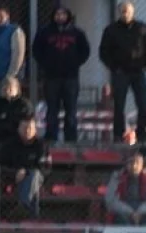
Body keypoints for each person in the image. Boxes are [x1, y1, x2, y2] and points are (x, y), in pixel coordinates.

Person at [99, 1, 146, 143]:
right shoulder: (111, 30)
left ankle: (142, 134)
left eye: (128, 10)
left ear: (133, 11)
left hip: (138, 72)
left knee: (144, 105)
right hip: (120, 73)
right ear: (119, 12)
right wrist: (114, 68)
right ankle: (118, 136)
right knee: (119, 106)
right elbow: (104, 52)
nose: (126, 13)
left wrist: (144, 66)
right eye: (123, 10)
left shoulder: (142, 28)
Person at [32, 5, 91, 143]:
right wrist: (45, 64)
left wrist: (75, 62)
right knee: (52, 109)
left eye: (63, 14)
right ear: (53, 16)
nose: (60, 17)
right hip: (51, 77)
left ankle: (71, 138)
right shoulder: (44, 32)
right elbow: (36, 50)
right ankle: (51, 137)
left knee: (71, 110)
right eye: (57, 14)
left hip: (71, 77)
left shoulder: (77, 33)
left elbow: (85, 51)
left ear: (68, 16)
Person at [0, 117, 48, 219]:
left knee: (33, 175)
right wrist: (15, 173)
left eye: (30, 128)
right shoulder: (9, 145)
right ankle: (32, 219)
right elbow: (1, 167)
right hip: (15, 178)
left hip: (38, 178)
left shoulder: (41, 145)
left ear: (35, 130)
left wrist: (25, 172)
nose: (27, 130)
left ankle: (22, 206)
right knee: (33, 187)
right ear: (18, 129)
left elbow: (45, 168)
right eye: (24, 127)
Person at [106, 150, 146, 226]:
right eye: (131, 163)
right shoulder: (117, 178)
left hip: (143, 209)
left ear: (142, 165)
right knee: (121, 218)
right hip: (124, 209)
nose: (134, 166)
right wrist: (130, 212)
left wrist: (139, 211)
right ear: (126, 164)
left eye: (137, 163)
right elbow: (110, 201)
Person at [0, 5, 26, 100]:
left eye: (0, 16)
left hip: (9, 78)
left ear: (7, 16)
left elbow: (18, 55)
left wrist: (10, 75)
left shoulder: (15, 31)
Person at [0, 78, 33, 158]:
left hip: (20, 139)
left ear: (17, 89)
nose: (7, 89)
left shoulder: (24, 105)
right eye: (5, 87)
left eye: (10, 87)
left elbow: (26, 123)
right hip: (0, 139)